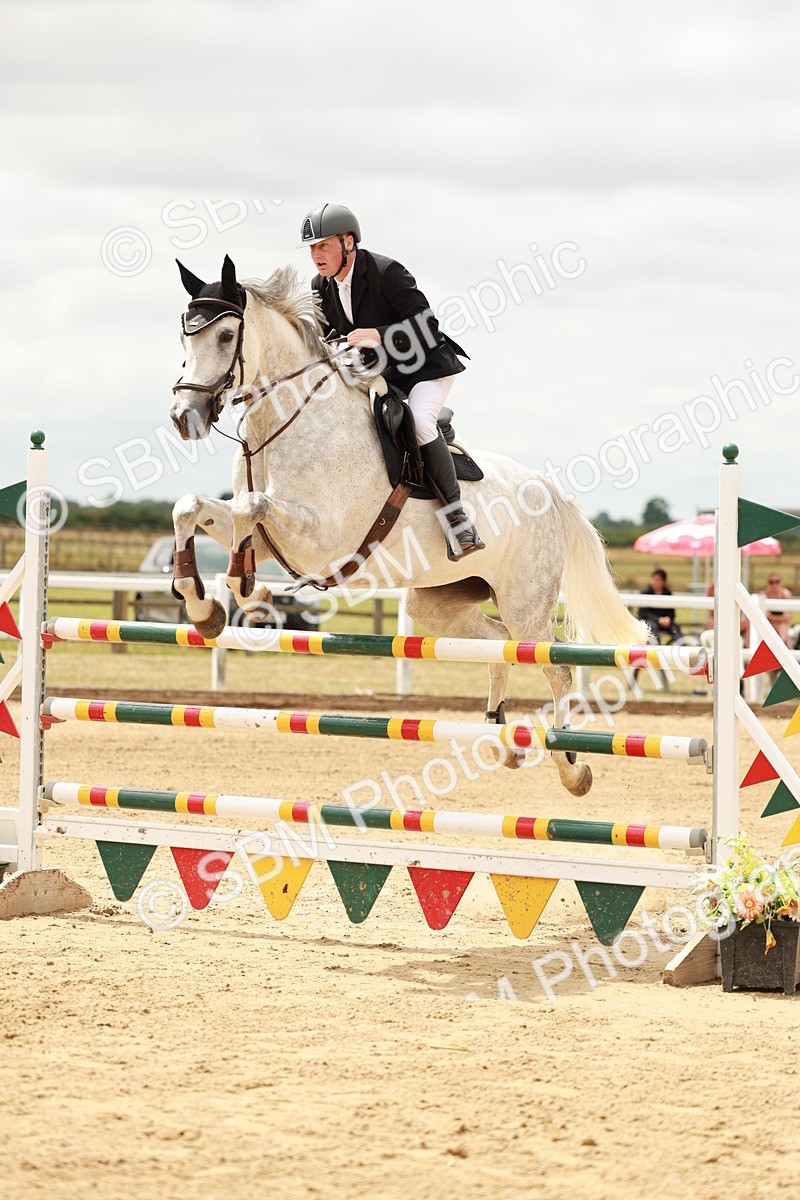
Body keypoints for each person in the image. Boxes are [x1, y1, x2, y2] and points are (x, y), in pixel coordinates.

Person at [300, 202, 484, 559]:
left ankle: (458, 521)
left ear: (348, 242)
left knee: (419, 422)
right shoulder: (320, 285)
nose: (316, 255)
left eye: (323, 245)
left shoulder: (387, 272)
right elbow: (325, 335)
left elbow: (428, 328)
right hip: (381, 371)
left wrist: (379, 334)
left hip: (426, 368)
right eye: (312, 247)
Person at [637, 568, 683, 643]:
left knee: (675, 628)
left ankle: (682, 645)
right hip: (651, 621)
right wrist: (658, 619)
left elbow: (671, 612)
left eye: (658, 580)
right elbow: (643, 613)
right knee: (651, 628)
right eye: (654, 579)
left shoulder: (668, 593)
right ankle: (656, 647)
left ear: (663, 582)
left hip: (664, 622)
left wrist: (668, 618)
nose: (655, 582)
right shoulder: (645, 593)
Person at [761, 573, 793, 646]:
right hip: (769, 624)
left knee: (783, 628)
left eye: (777, 581)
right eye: (771, 582)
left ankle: (779, 648)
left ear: (780, 582)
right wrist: (780, 619)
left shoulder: (786, 594)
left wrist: (774, 618)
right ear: (768, 583)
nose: (774, 585)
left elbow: (789, 616)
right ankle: (779, 648)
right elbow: (765, 616)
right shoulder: (764, 594)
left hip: (782, 625)